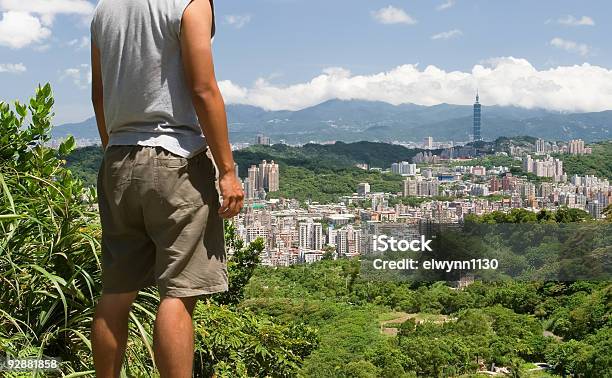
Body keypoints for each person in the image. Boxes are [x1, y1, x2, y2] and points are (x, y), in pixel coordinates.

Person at [89, 0, 244, 376]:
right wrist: (227, 170)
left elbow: (99, 93)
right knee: (177, 295)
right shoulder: (190, 3)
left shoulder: (104, 9)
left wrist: (117, 147)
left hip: (117, 159)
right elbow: (203, 88)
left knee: (116, 292)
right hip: (175, 162)